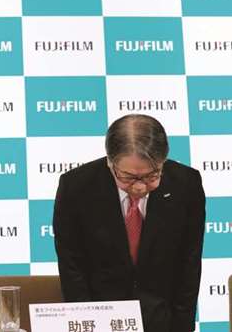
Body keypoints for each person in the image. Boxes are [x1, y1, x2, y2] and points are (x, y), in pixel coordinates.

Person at [53, 114, 205, 332]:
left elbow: (189, 266)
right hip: (100, 317)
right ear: (110, 162)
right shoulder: (76, 187)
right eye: (128, 177)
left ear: (163, 162)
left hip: (162, 319)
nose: (140, 187)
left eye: (152, 176)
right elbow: (72, 268)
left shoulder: (186, 184)